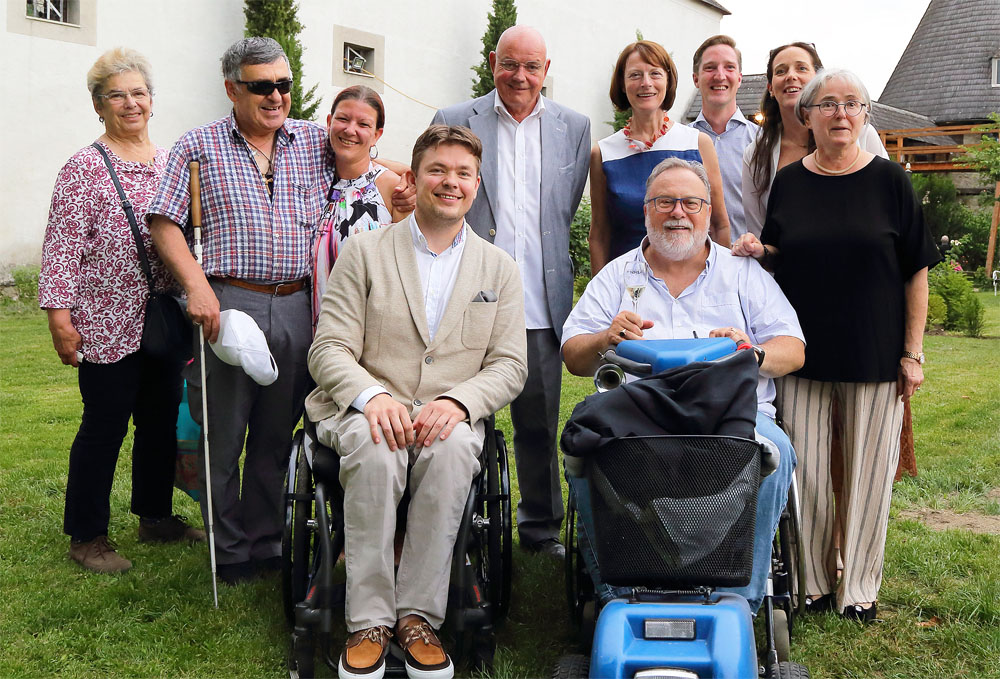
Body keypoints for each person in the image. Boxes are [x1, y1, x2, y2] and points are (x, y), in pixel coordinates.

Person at [306, 125, 528, 679]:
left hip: (446, 413)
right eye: (438, 170)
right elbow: (329, 347)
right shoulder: (363, 252)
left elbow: (510, 364)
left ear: (476, 185)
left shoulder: (499, 269)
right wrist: (371, 395)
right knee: (377, 449)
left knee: (454, 452)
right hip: (365, 406)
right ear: (414, 177)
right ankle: (369, 622)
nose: (450, 183)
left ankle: (418, 619)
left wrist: (459, 402)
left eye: (463, 174)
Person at [731, 69, 940, 622]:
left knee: (869, 480)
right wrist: (759, 248)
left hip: (874, 356)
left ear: (865, 115)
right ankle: (816, 584)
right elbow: (783, 252)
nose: (841, 114)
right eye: (828, 105)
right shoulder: (792, 181)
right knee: (813, 478)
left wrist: (912, 353)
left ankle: (861, 590)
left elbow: (915, 270)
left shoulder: (890, 181)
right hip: (803, 355)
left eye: (852, 104)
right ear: (808, 116)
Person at [563, 157, 805, 612]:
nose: (678, 212)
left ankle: (741, 598)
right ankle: (617, 594)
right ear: (646, 211)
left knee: (775, 451)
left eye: (691, 202)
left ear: (709, 211)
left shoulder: (742, 273)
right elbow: (574, 356)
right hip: (636, 415)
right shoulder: (617, 275)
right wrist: (605, 337)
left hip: (733, 413)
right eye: (665, 202)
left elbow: (794, 348)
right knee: (583, 449)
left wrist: (750, 352)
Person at [148, 37, 334, 585]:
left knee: (278, 435)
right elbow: (164, 222)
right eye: (262, 86)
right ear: (232, 89)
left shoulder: (313, 141)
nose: (277, 96)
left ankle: (265, 539)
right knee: (223, 436)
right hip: (227, 304)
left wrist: (403, 188)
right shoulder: (197, 146)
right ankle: (228, 550)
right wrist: (196, 287)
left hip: (300, 304)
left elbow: (369, 160)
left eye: (284, 84)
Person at [39, 48, 204, 575]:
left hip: (165, 318)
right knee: (103, 427)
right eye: (117, 95)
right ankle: (87, 535)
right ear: (98, 106)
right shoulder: (83, 169)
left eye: (139, 93)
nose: (130, 103)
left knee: (158, 424)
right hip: (106, 322)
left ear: (152, 101)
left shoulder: (171, 163)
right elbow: (62, 247)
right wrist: (59, 317)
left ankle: (155, 517)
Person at [432, 25, 590, 557]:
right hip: (466, 299)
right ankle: (458, 518)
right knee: (458, 415)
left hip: (541, 301)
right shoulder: (455, 119)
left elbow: (562, 213)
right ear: (494, 63)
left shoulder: (574, 126)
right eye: (510, 64)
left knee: (539, 424)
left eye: (532, 67)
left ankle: (541, 527)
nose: (519, 77)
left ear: (547, 70)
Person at [590, 39, 731, 275]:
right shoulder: (603, 153)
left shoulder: (697, 143)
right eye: (635, 75)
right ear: (623, 85)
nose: (646, 83)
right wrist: (602, 296)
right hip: (629, 285)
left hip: (692, 282)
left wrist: (722, 283)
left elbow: (719, 225)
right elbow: (599, 235)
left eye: (654, 73)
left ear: (667, 80)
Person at [741, 42, 887, 239]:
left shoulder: (862, 135)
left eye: (801, 68)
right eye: (781, 71)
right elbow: (758, 229)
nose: (791, 76)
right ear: (771, 88)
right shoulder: (756, 155)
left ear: (818, 81)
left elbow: (890, 209)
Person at [312, 85, 411, 330]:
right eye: (343, 119)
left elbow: (408, 269)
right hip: (314, 330)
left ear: (377, 134)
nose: (350, 130)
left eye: (363, 124)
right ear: (329, 121)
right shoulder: (312, 181)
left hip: (371, 332)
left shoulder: (393, 188)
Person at [688, 35, 758, 240]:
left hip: (748, 264)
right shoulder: (681, 142)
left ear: (739, 77)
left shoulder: (762, 142)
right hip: (691, 266)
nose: (720, 76)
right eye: (710, 68)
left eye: (729, 67)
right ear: (695, 79)